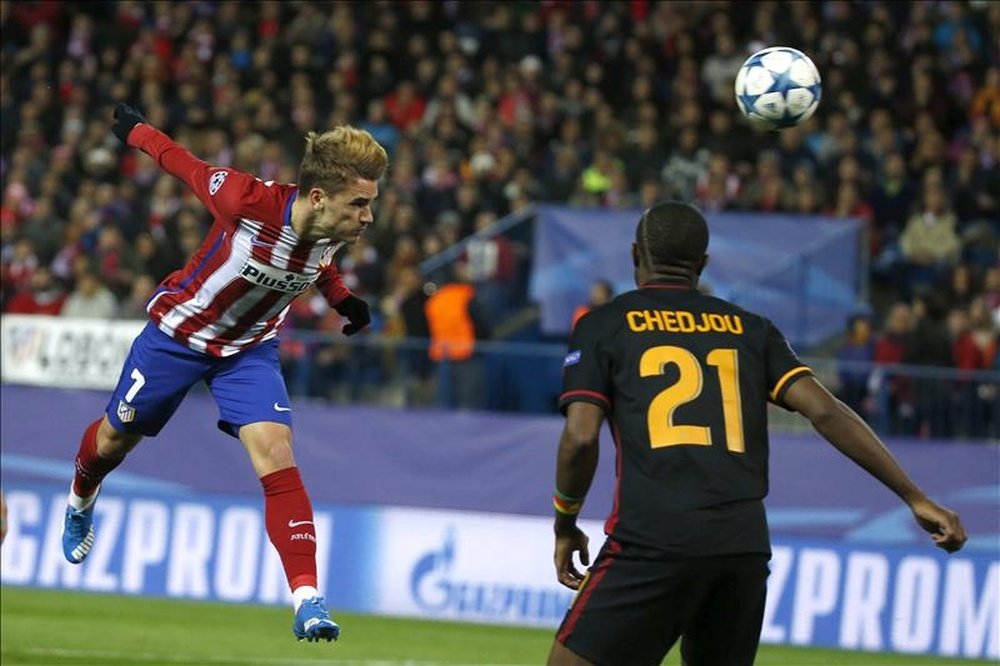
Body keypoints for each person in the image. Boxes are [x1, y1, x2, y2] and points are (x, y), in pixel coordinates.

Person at [546, 201, 967, 666]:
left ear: (634, 254)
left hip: (653, 539)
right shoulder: (750, 329)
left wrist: (566, 524)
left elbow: (581, 437)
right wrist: (913, 495)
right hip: (740, 547)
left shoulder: (603, 324)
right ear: (702, 264)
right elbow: (826, 412)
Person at [60, 104, 387, 643]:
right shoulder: (246, 198)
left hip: (249, 350)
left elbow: (318, 260)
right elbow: (184, 164)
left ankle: (308, 599)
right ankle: (80, 498)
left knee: (277, 452)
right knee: (114, 441)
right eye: (360, 204)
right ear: (319, 197)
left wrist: (343, 299)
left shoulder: (335, 228)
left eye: (370, 204)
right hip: (178, 335)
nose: (369, 217)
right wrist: (138, 132)